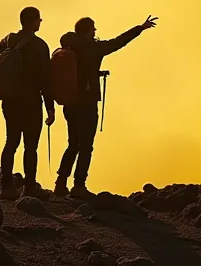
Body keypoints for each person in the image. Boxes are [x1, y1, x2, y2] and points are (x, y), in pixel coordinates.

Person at [55, 14, 158, 196]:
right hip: (86, 104)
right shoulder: (94, 48)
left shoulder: (69, 47)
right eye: (93, 28)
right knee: (86, 145)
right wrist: (140, 28)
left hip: (70, 103)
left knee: (73, 144)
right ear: (87, 32)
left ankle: (60, 183)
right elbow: (119, 42)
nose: (95, 31)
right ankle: (79, 186)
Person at [0, 6, 56, 200]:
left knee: (11, 142)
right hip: (30, 101)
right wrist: (50, 107)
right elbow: (45, 79)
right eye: (39, 20)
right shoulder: (40, 46)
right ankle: (29, 188)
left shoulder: (8, 41)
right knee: (30, 147)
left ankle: (6, 187)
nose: (40, 22)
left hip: (9, 100)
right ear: (32, 22)